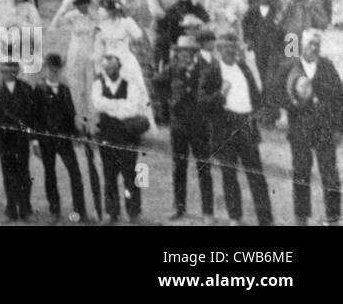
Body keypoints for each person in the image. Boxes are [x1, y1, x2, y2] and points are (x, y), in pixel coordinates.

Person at [275, 28, 343, 225]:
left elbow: (340, 98)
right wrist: (293, 104)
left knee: (330, 175)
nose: (313, 48)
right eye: (309, 44)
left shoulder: (327, 66)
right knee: (301, 174)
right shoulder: (289, 66)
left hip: (325, 130)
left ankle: (332, 218)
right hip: (300, 131)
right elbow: (275, 95)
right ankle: (301, 219)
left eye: (317, 44)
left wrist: (339, 128)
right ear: (300, 46)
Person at [154, 35, 220, 224]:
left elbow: (215, 92)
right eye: (182, 52)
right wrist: (169, 101)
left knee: (204, 169)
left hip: (200, 126)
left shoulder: (206, 69)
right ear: (177, 53)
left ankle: (208, 212)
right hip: (179, 126)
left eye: (190, 52)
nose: (186, 55)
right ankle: (179, 208)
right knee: (179, 168)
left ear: (195, 53)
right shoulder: (172, 69)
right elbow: (157, 83)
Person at [211, 32, 274, 226]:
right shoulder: (212, 72)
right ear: (219, 50)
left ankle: (265, 219)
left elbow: (256, 95)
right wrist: (219, 95)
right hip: (224, 127)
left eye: (233, 48)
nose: (230, 52)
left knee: (256, 174)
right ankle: (235, 218)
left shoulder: (244, 68)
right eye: (226, 49)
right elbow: (201, 102)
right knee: (229, 175)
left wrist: (258, 112)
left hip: (246, 125)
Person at [92, 53, 148, 224]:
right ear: (103, 69)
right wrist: (119, 106)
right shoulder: (97, 84)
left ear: (119, 68)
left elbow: (132, 109)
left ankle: (134, 212)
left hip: (127, 136)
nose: (110, 71)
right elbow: (97, 103)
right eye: (107, 68)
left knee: (130, 174)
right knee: (109, 175)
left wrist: (108, 105)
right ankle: (112, 213)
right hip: (107, 136)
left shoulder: (130, 85)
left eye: (114, 68)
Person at [33, 53, 86, 223]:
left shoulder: (65, 90)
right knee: (50, 174)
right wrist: (34, 140)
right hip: (46, 140)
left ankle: (80, 211)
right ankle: (54, 210)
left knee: (75, 174)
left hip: (64, 139)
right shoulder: (39, 90)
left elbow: (70, 114)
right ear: (45, 69)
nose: (54, 73)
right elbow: (34, 118)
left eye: (57, 70)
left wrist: (77, 132)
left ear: (61, 70)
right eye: (51, 70)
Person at [92, 0, 153, 131]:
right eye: (102, 10)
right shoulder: (101, 26)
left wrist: (127, 35)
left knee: (131, 89)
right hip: (108, 61)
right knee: (109, 90)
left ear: (113, 10)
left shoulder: (126, 22)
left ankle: (134, 123)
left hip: (125, 59)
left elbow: (138, 35)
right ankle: (112, 124)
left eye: (106, 10)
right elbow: (98, 46)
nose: (103, 13)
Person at [0, 59, 35, 221]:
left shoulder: (26, 89)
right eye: (4, 71)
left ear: (17, 72)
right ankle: (10, 210)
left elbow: (31, 116)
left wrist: (32, 139)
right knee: (8, 176)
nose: (8, 74)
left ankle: (26, 210)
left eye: (12, 71)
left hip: (21, 140)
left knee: (24, 175)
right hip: (5, 140)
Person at [50, 0, 99, 135]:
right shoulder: (72, 16)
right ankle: (78, 124)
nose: (82, 6)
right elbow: (55, 24)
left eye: (85, 3)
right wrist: (64, 6)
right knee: (76, 88)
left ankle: (92, 125)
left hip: (90, 54)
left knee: (90, 88)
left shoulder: (95, 16)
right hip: (76, 54)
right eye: (79, 4)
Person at [243, 0, 283, 116]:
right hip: (259, 49)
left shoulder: (275, 10)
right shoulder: (253, 10)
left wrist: (284, 48)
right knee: (262, 75)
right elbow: (245, 24)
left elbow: (283, 29)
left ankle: (270, 109)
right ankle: (265, 107)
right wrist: (249, 40)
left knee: (270, 79)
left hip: (274, 50)